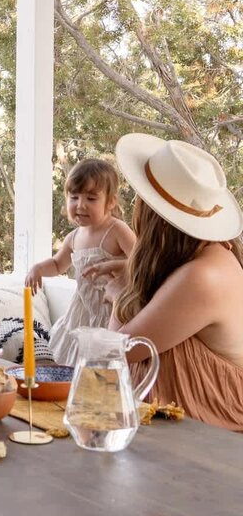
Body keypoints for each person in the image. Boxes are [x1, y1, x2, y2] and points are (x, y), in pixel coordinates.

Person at [104, 133, 243, 431]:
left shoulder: (202, 276)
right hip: (187, 425)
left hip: (219, 433)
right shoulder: (207, 257)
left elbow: (118, 351)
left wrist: (119, 295)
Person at [25, 158, 135, 366]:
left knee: (104, 364)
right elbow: (58, 264)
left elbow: (141, 263)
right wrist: (38, 268)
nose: (80, 205)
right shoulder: (74, 237)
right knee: (74, 361)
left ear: (111, 202)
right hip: (83, 311)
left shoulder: (117, 231)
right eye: (74, 197)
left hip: (111, 311)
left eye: (91, 198)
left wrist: (118, 266)